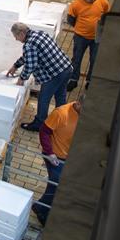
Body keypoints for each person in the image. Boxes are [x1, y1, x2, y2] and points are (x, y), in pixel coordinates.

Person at [7, 22, 73, 132]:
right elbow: (28, 56)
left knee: (43, 98)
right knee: (60, 96)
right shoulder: (39, 33)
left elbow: (30, 64)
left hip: (54, 74)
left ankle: (39, 123)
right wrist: (16, 65)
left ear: (22, 33)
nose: (16, 39)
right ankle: (62, 122)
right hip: (66, 68)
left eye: (16, 36)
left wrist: (21, 78)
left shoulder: (29, 45)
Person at [32, 97, 82, 226]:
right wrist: (49, 153)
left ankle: (39, 206)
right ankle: (42, 212)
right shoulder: (61, 113)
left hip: (70, 156)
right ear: (78, 103)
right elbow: (44, 132)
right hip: (55, 157)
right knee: (56, 184)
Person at [66, 0, 110, 92]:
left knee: (94, 60)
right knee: (76, 59)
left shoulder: (103, 1)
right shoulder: (76, 4)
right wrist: (81, 28)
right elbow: (71, 19)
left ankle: (90, 81)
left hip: (96, 38)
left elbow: (107, 15)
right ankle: (73, 79)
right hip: (80, 37)